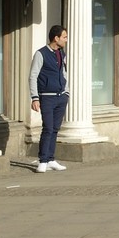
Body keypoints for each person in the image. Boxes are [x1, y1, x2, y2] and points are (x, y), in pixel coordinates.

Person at [27, 24, 69, 173]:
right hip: (47, 97)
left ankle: (51, 159)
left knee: (55, 129)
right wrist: (35, 97)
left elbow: (64, 73)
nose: (66, 39)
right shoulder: (41, 54)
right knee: (48, 128)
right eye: (64, 37)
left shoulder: (61, 53)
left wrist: (66, 92)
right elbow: (33, 76)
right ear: (56, 38)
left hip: (60, 97)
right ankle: (43, 160)